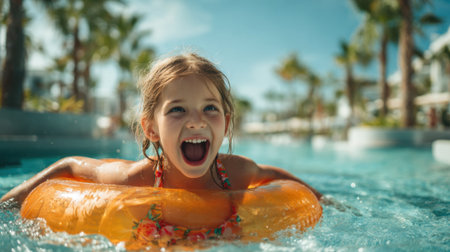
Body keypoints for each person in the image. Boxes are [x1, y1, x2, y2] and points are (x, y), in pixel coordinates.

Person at [1, 53, 321, 244]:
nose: (196, 121)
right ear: (151, 128)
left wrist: (321, 198)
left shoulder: (234, 173)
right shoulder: (136, 179)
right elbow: (70, 166)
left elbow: (272, 175)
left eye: (209, 108)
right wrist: (9, 202)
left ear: (225, 122)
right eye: (178, 110)